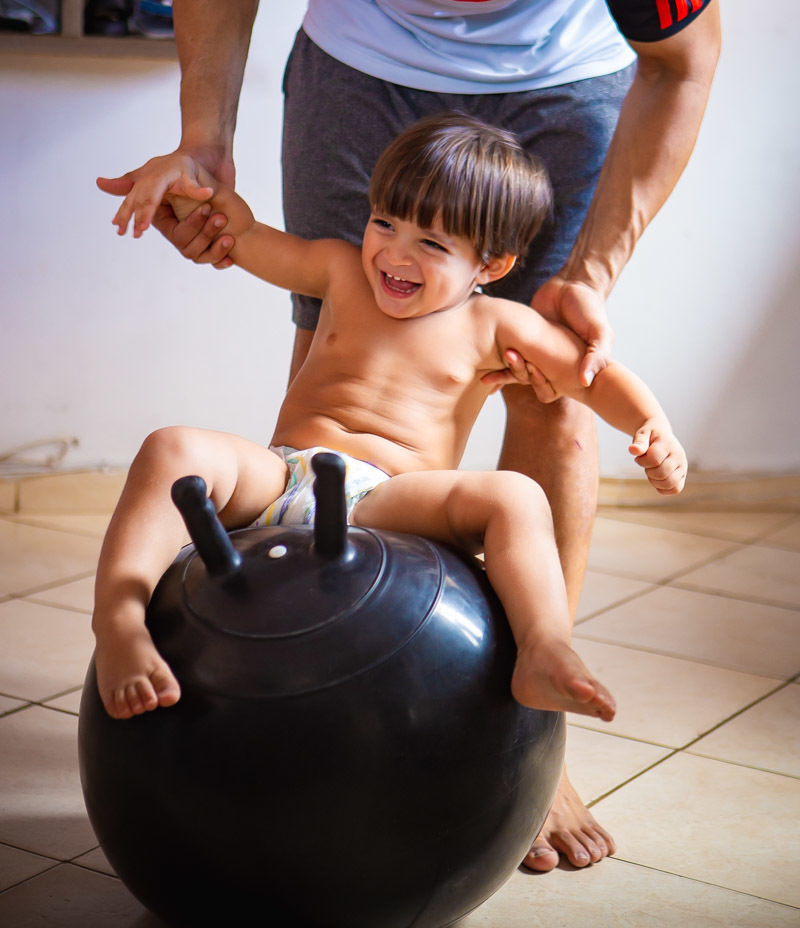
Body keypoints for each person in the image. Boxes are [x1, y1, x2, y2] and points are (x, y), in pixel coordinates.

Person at [96, 0, 720, 871]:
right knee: (326, 349)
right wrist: (202, 153)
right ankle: (289, 674)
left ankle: (529, 738)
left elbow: (679, 61)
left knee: (545, 393)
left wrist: (591, 280)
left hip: (556, 80)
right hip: (357, 61)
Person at [94, 115, 686, 749]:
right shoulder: (338, 270)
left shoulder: (496, 324)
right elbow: (240, 234)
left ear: (491, 263)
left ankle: (543, 647)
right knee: (171, 447)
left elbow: (592, 375)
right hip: (281, 475)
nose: (396, 254)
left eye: (432, 244)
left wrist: (653, 424)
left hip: (390, 503)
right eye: (385, 223)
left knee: (517, 497)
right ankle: (120, 619)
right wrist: (188, 192)